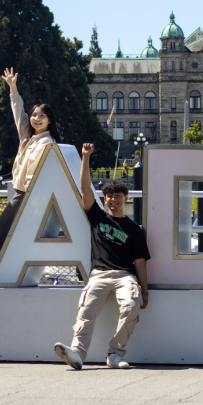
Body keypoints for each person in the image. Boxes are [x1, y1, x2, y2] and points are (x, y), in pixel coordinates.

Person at [53, 143, 150, 370]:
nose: (113, 200)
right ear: (104, 200)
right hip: (98, 275)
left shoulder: (135, 230)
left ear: (126, 198)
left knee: (131, 306)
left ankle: (115, 354)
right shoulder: (97, 218)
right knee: (85, 311)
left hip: (125, 276)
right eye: (108, 196)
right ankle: (77, 353)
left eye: (117, 196)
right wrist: (86, 158)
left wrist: (144, 291)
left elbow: (140, 263)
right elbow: (85, 188)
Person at [0, 67, 59, 287]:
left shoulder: (47, 143)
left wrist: (31, 202)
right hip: (22, 194)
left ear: (50, 120)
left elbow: (37, 176)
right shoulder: (28, 137)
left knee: (1, 231)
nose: (36, 118)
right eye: (34, 115)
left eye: (42, 115)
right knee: (6, 234)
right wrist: (13, 88)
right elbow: (18, 112)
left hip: (27, 197)